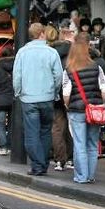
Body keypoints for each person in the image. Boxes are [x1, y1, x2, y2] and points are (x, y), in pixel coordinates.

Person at [13, 23, 64, 177]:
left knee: (31, 134)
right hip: (47, 97)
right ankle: (42, 164)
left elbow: (17, 77)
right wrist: (54, 92)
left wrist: (19, 93)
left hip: (28, 98)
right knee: (45, 132)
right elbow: (59, 76)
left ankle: (38, 165)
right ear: (42, 33)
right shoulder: (52, 52)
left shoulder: (22, 52)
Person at [61, 33, 105, 184]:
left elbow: (66, 94)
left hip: (77, 111)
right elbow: (104, 90)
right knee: (92, 144)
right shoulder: (97, 67)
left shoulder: (69, 69)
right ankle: (91, 176)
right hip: (95, 110)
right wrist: (99, 102)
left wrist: (68, 105)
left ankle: (81, 176)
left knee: (79, 144)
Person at [45, 24, 73, 171]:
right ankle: (70, 158)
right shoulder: (74, 54)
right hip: (72, 95)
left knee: (57, 127)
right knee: (71, 127)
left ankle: (59, 159)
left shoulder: (51, 53)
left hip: (56, 95)